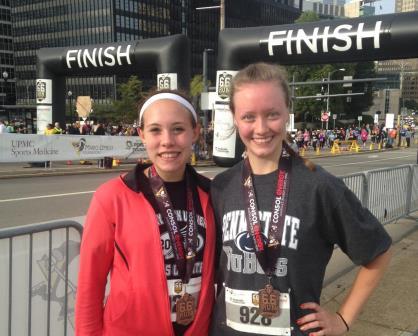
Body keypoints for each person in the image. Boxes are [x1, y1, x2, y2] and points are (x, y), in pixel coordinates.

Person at [209, 63, 392, 336]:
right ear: (235, 118)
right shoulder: (221, 187)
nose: (260, 128)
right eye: (248, 117)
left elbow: (378, 251)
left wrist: (343, 319)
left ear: (287, 114)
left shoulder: (319, 187)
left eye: (272, 114)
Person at [75, 89, 215, 336]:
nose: (167, 141)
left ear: (195, 132)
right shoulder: (112, 197)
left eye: (178, 129)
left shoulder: (213, 195)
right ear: (141, 134)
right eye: (155, 130)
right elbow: (90, 284)